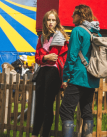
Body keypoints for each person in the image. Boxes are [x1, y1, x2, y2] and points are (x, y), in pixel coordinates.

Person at [59, 4, 101, 137]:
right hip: (92, 77)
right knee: (86, 111)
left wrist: (66, 78)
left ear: (80, 15)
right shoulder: (96, 32)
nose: (72, 16)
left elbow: (71, 56)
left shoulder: (77, 31)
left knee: (66, 111)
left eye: (74, 14)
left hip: (77, 76)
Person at [32, 9, 69, 137]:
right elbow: (37, 58)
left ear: (57, 22)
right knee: (39, 105)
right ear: (45, 22)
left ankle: (45, 134)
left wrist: (44, 57)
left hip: (53, 71)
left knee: (47, 106)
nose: (51, 22)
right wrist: (45, 58)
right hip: (42, 71)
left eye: (53, 20)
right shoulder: (42, 37)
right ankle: (34, 133)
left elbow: (55, 56)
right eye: (49, 20)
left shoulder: (59, 37)